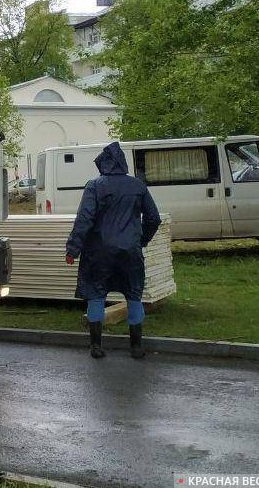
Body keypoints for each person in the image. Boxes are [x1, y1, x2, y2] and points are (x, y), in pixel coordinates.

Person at [65, 142, 161, 359]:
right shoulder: (138, 186)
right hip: (130, 252)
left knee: (96, 294)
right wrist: (141, 240)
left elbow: (84, 220)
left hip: (98, 253)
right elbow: (154, 218)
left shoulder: (94, 186)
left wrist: (73, 249)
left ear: (104, 165)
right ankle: (136, 347)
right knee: (133, 295)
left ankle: (96, 346)